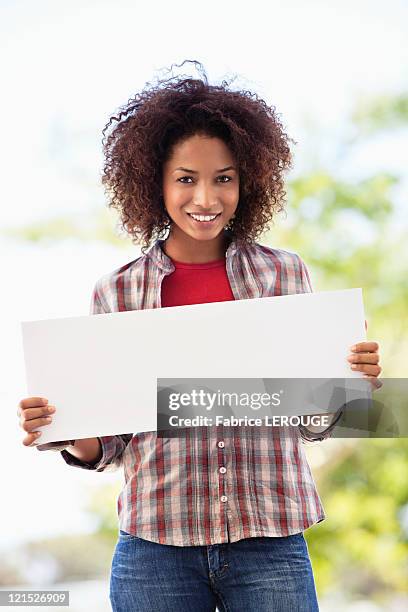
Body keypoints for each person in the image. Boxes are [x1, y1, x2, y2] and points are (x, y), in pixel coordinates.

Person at [17, 60, 381, 611]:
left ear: (247, 181)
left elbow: (312, 423)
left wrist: (349, 384)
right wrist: (69, 429)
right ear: (154, 182)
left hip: (271, 541)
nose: (205, 199)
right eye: (186, 178)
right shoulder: (117, 293)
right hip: (155, 548)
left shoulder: (284, 276)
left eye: (224, 179)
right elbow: (111, 443)